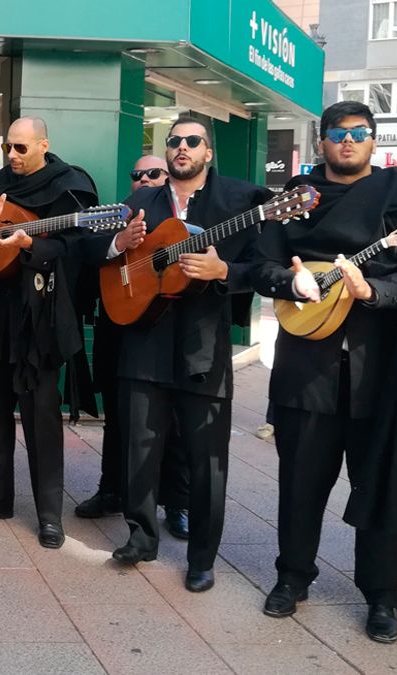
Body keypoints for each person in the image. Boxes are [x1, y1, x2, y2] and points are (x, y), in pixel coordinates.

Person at [254, 101, 397, 643]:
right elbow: (261, 263)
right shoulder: (295, 197)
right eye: (339, 133)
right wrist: (289, 283)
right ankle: (292, 578)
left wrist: (376, 292)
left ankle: (382, 596)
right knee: (299, 484)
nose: (349, 141)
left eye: (360, 133)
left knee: (380, 485)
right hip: (306, 367)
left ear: (374, 140)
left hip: (380, 372)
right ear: (322, 141)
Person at [86, 115, 272, 593]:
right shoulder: (142, 199)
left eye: (193, 141)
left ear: (208, 151)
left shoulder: (241, 200)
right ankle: (141, 537)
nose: (182, 148)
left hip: (201, 349)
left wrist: (222, 269)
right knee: (140, 449)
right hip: (143, 344)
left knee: (206, 458)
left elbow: (264, 267)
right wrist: (117, 245)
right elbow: (98, 254)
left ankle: (202, 559)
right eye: (174, 142)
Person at [0, 117, 97, 547]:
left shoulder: (69, 186)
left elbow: (77, 247)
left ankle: (49, 514)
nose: (13, 155)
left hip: (39, 320)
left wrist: (28, 245)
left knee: (42, 420)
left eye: (22, 148)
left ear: (44, 145)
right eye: (8, 147)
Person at [74, 153, 193, 541]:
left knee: (172, 421)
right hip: (118, 333)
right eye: (136, 173)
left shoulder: (184, 221)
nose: (143, 179)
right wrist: (117, 243)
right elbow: (86, 253)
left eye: (153, 173)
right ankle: (112, 490)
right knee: (118, 417)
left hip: (166, 336)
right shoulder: (120, 213)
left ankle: (176, 503)